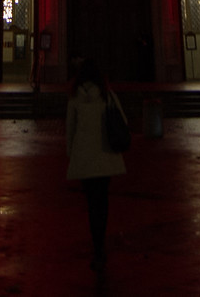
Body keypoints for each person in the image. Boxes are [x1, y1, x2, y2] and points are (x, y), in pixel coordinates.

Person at [64, 57, 126, 274]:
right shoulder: (107, 96)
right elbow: (123, 122)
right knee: (103, 201)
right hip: (105, 156)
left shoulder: (74, 99)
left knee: (91, 204)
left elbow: (69, 130)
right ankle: (101, 245)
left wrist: (71, 154)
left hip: (83, 158)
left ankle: (97, 245)